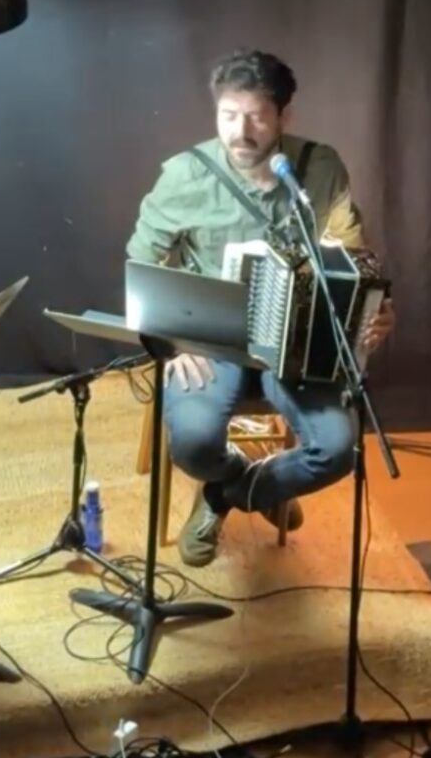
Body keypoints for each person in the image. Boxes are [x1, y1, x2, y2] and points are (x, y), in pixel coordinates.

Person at [126, 48, 395, 568]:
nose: (241, 132)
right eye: (229, 115)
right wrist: (169, 342)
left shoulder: (319, 167)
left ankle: (230, 493)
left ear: (284, 116)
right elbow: (141, 263)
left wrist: (376, 309)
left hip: (296, 342)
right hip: (209, 340)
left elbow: (352, 258)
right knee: (194, 445)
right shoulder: (184, 175)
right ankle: (235, 474)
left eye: (257, 117)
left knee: (337, 450)